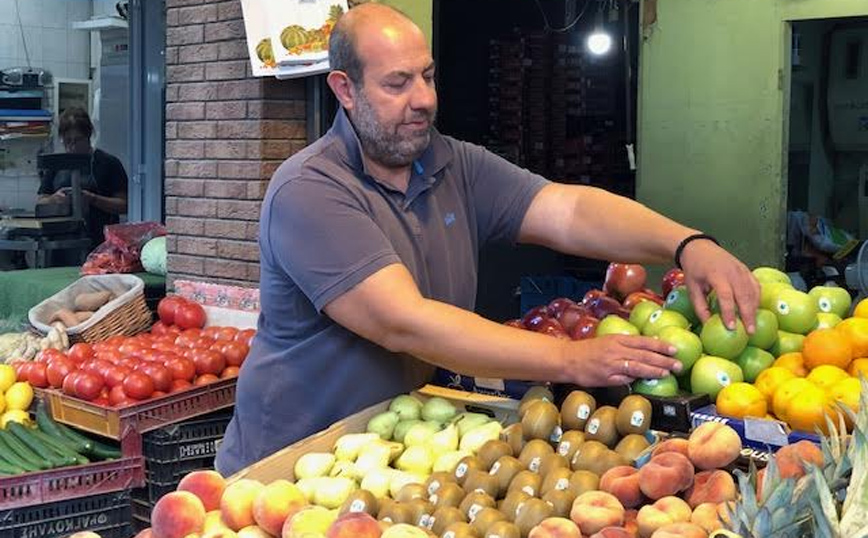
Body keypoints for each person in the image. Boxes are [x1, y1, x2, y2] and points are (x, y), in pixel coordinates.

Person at [215, 3, 760, 476]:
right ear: (345, 90)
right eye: (397, 83)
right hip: (291, 464)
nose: (424, 99)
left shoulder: (451, 163)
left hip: (397, 447)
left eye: (428, 76)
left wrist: (686, 243)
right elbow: (402, 321)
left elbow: (568, 209)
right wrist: (571, 359)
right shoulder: (310, 189)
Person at [37, 107, 128, 249]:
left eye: (77, 140)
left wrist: (92, 199)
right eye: (67, 141)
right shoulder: (55, 165)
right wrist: (54, 199)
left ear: (88, 135)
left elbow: (124, 205)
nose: (72, 146)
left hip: (101, 242)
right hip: (61, 241)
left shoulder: (108, 163)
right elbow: (41, 202)